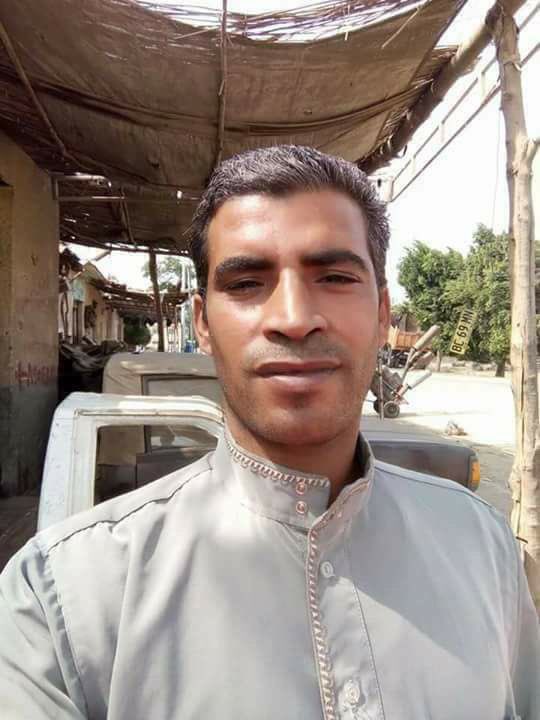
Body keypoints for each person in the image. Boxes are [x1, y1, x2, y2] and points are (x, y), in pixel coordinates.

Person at [1, 146, 538, 719]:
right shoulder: (60, 597)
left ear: (383, 314)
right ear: (202, 323)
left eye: (335, 277)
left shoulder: (482, 549)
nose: (293, 318)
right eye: (246, 283)